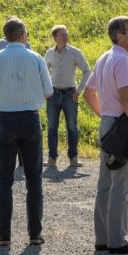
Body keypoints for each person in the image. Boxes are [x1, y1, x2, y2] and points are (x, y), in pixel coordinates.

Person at [0, 17, 52, 246]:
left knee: (4, 181)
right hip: (30, 118)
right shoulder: (36, 58)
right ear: (23, 34)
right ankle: (35, 233)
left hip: (6, 120)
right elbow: (48, 91)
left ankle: (3, 234)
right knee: (34, 179)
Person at [83, 16, 128, 254]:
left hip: (109, 123)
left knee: (106, 183)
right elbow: (127, 99)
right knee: (121, 184)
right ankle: (118, 241)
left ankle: (103, 238)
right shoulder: (121, 60)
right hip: (122, 123)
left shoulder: (104, 57)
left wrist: (105, 115)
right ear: (120, 35)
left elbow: (89, 93)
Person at [43, 25, 91, 167]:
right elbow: (44, 73)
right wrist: (45, 91)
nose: (65, 37)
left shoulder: (75, 52)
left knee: (72, 127)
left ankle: (73, 157)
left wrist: (79, 91)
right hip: (53, 94)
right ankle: (52, 158)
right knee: (52, 127)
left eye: (66, 34)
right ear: (55, 37)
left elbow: (87, 71)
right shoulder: (49, 53)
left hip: (70, 94)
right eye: (62, 35)